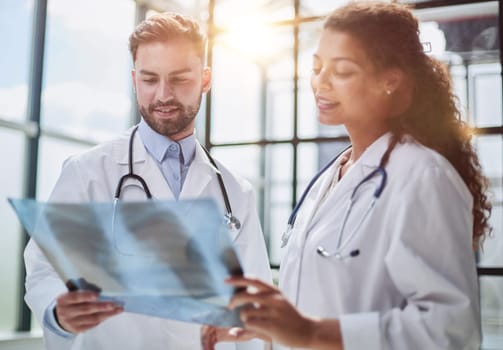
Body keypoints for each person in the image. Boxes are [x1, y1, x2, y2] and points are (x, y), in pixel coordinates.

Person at [213, 2, 493, 349]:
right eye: (317, 67)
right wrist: (274, 326)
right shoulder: (332, 178)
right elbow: (328, 301)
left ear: (389, 81)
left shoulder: (422, 175)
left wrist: (311, 333)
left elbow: (450, 331)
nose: (321, 82)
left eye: (342, 71)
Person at [24, 12, 272, 350]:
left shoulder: (235, 193)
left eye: (179, 79)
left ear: (205, 79)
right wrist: (59, 314)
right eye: (150, 79)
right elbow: (43, 268)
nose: (163, 96)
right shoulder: (88, 172)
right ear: (134, 78)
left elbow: (251, 310)